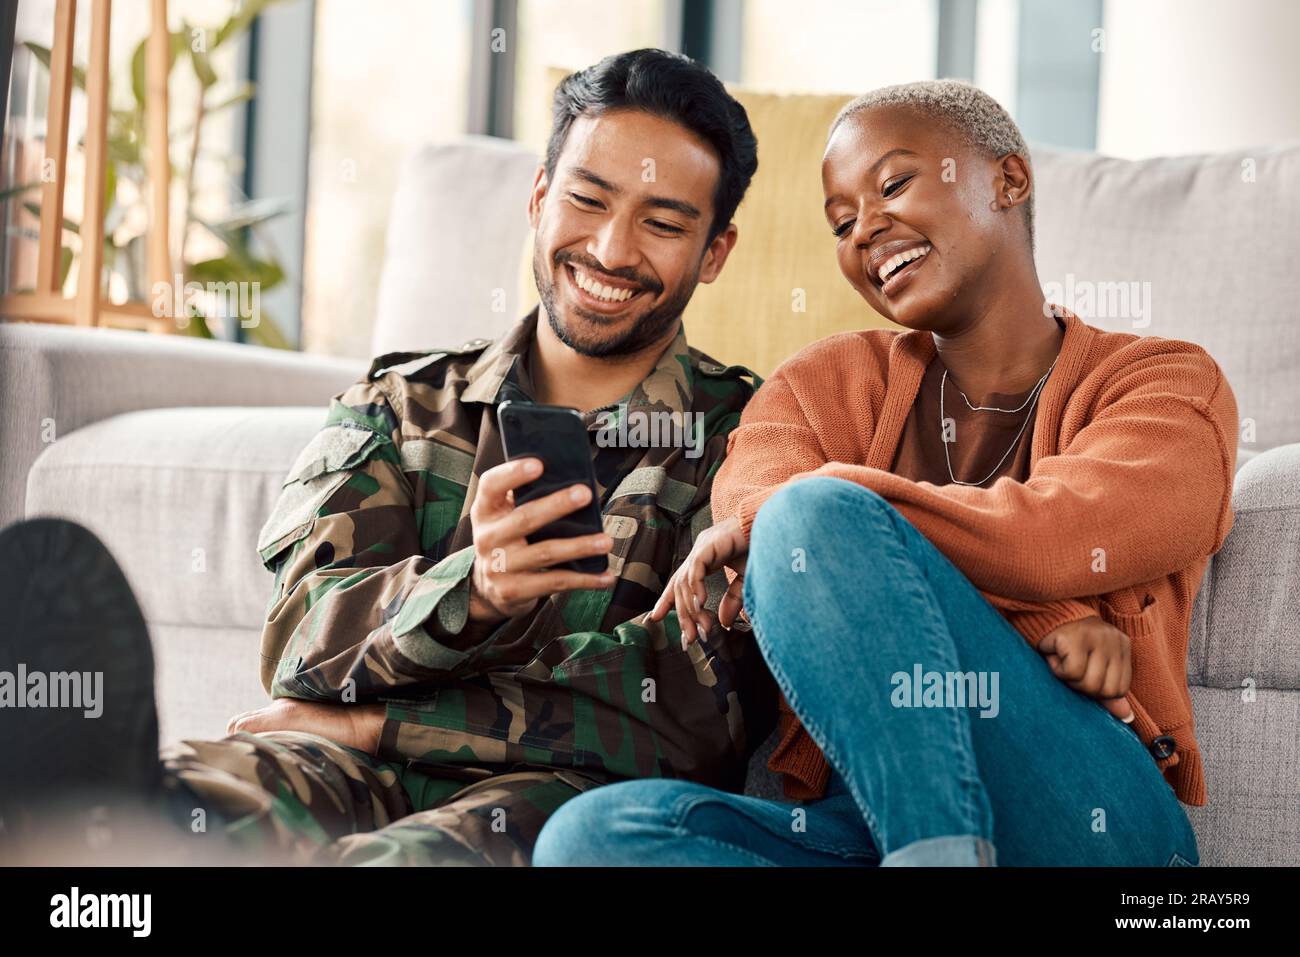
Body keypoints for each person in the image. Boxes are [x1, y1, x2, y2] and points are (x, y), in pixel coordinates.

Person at [0, 48, 777, 866]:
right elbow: (301, 642)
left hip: (555, 790)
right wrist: (471, 593)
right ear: (541, 197)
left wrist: (379, 719)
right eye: (588, 199)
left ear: (714, 252)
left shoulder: (745, 435)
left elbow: (694, 714)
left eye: (662, 223)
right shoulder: (399, 404)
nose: (612, 250)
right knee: (194, 804)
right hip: (339, 761)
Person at [533, 79, 1236, 867]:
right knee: (591, 839)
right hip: (868, 823)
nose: (866, 228)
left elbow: (1059, 535)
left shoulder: (1167, 383)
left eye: (894, 184)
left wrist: (843, 515)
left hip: (1089, 816)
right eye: (841, 222)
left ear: (1009, 180)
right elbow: (756, 508)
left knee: (812, 513)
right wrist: (1044, 618)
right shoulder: (818, 382)